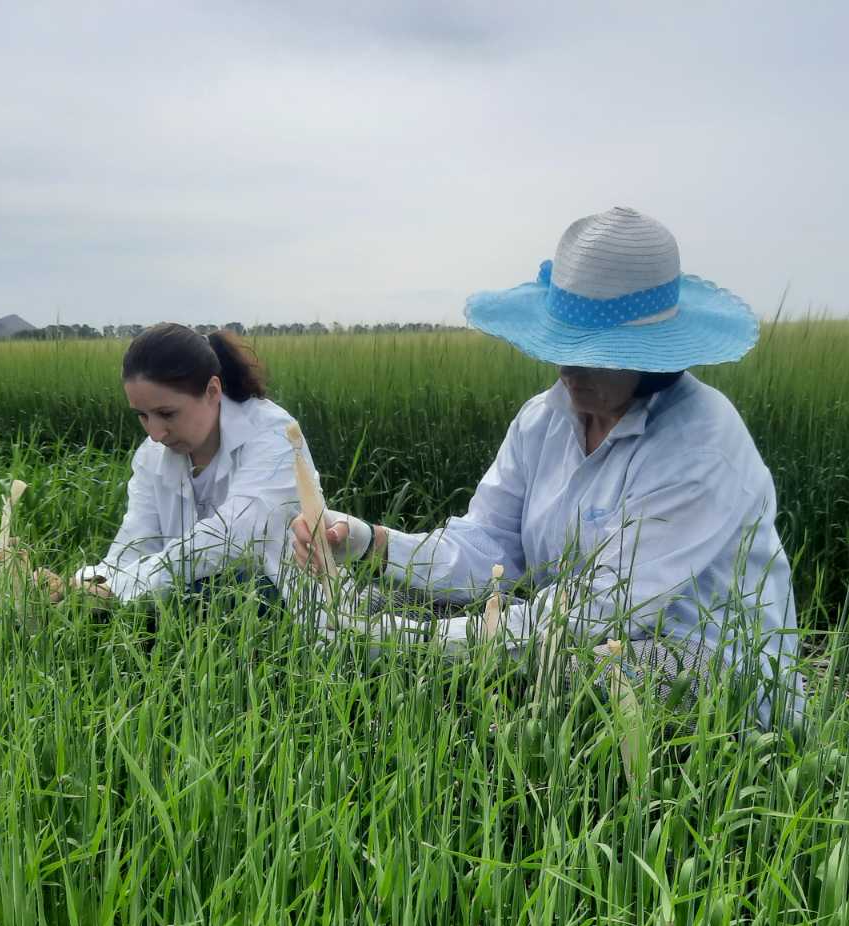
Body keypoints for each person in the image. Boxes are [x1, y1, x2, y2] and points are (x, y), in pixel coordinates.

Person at [292, 207, 802, 726]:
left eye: (593, 353)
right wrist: (368, 542)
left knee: (584, 674)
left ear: (652, 355)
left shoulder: (700, 447)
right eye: (560, 347)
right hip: (581, 629)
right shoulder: (545, 419)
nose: (567, 369)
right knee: (383, 596)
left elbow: (597, 612)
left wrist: (405, 640)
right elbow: (486, 548)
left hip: (703, 666)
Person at [57, 323, 307, 605]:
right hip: (190, 598)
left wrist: (119, 589)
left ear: (212, 391)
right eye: (142, 415)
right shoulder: (152, 454)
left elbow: (233, 538)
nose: (155, 433)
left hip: (276, 596)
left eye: (167, 414)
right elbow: (137, 542)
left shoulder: (274, 434)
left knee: (218, 593)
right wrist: (80, 584)